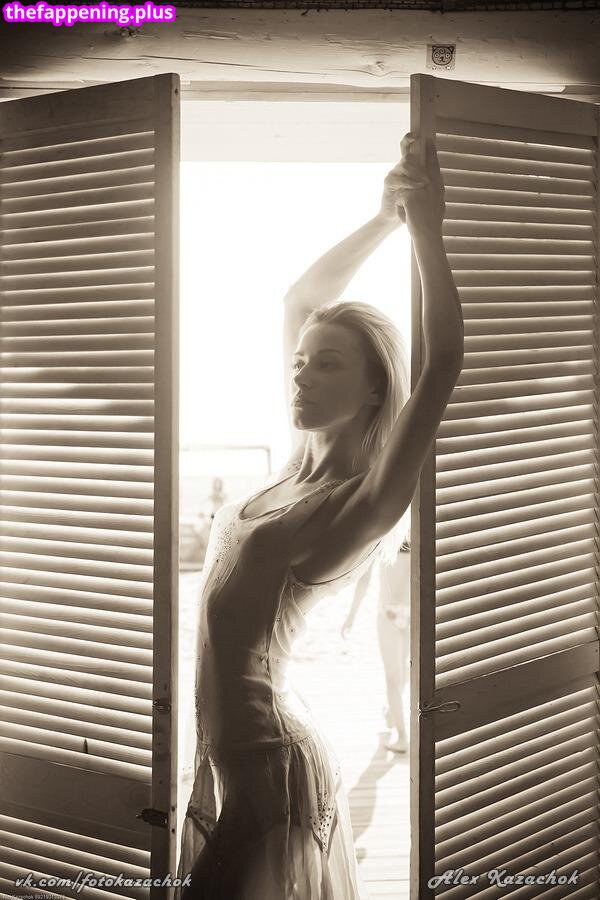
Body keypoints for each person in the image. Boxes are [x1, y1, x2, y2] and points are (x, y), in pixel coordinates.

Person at [176, 132, 464, 900]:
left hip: (272, 778)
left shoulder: (359, 505)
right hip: (229, 759)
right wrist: (385, 217)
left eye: (327, 363)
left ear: (374, 389)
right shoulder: (293, 464)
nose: (300, 374)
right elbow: (299, 301)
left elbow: (442, 363)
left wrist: (427, 231)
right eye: (299, 362)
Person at [341, 530, 411, 753]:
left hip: (395, 614)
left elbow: (364, 579)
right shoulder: (415, 534)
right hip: (407, 613)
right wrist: (352, 615)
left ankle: (400, 733)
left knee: (397, 676)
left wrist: (352, 615)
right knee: (400, 673)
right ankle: (394, 718)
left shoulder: (385, 535)